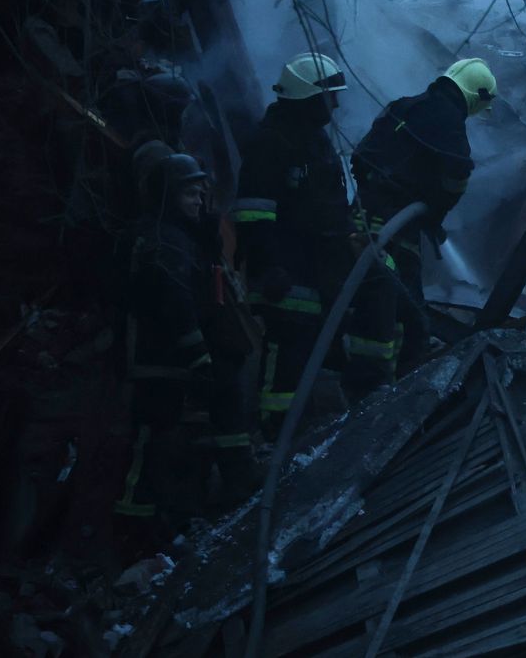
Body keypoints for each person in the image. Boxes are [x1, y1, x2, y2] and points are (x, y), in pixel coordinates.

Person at [113, 154, 253, 540]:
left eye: (200, 194)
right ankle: (134, 522)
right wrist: (199, 354)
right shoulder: (164, 242)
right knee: (153, 443)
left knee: (180, 442)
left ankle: (173, 515)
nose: (197, 201)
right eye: (189, 194)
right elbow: (176, 304)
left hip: (173, 361)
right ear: (166, 196)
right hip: (156, 361)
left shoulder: (182, 239)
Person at [342, 58, 495, 402]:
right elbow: (457, 174)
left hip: (364, 215)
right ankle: (378, 394)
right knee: (396, 311)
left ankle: (384, 384)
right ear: (475, 95)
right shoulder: (449, 119)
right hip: (397, 230)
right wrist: (433, 208)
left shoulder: (404, 105)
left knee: (394, 305)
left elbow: (361, 154)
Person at [230, 53, 355, 435]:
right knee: (288, 348)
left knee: (321, 349)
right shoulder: (271, 141)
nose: (334, 104)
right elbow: (253, 211)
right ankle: (273, 433)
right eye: (328, 96)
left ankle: (314, 433)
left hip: (321, 269)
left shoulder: (315, 141)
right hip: (286, 268)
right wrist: (270, 266)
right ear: (307, 97)